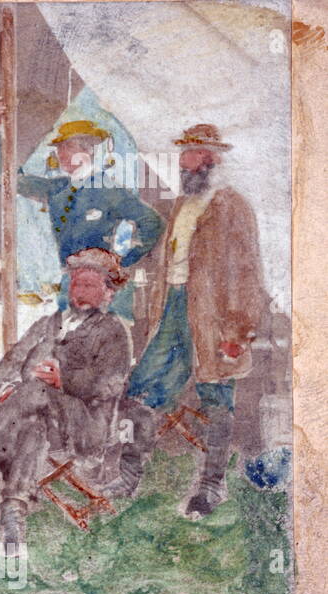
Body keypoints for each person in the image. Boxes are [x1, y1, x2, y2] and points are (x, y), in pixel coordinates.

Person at [104, 124, 267, 518]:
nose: (182, 161)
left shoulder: (232, 206)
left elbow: (247, 273)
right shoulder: (181, 204)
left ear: (209, 159)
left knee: (217, 400)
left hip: (215, 320)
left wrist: (238, 331)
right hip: (173, 311)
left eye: (190, 154)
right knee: (142, 388)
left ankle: (211, 487)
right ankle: (128, 476)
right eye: (183, 153)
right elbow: (168, 258)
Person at [0, 248, 133, 552]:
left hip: (84, 423)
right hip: (36, 417)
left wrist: (63, 381)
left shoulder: (113, 331)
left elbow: (110, 384)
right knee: (32, 427)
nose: (81, 291)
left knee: (37, 390)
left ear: (108, 293)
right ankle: (12, 515)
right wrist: (6, 385)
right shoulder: (50, 323)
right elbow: (12, 360)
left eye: (90, 285)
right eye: (76, 284)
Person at [0, 102, 164, 317]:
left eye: (68, 147)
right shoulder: (57, 188)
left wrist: (123, 259)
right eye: (59, 149)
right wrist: (2, 132)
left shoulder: (108, 189)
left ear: (87, 150)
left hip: (102, 290)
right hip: (69, 285)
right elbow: (7, 180)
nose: (61, 155)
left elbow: (153, 223)